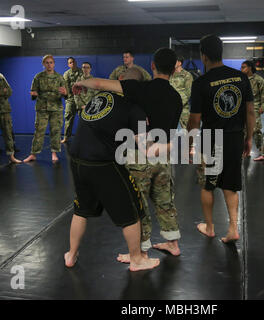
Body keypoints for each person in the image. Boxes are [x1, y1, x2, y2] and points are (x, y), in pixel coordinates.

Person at [73, 47, 183, 262]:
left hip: (139, 155)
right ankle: (173, 243)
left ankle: (140, 253)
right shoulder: (176, 97)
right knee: (164, 200)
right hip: (163, 156)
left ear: (152, 66)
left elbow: (99, 84)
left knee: (138, 203)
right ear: (174, 70)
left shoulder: (139, 88)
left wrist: (81, 83)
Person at [65, 68, 162, 271]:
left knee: (81, 209)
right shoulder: (134, 108)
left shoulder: (99, 98)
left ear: (119, 79)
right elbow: (145, 147)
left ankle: (71, 254)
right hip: (103, 163)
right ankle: (137, 259)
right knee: (132, 210)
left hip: (76, 159)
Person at [187, 34, 255, 243]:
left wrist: (190, 145)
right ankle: (233, 229)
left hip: (211, 138)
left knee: (208, 185)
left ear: (203, 56)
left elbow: (194, 120)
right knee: (231, 184)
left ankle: (209, 227)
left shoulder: (201, 83)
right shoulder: (241, 77)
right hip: (235, 137)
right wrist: (249, 138)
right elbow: (250, 112)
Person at [24, 55, 68, 163]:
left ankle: (54, 153)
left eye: (51, 62)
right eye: (47, 63)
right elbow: (33, 92)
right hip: (42, 108)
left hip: (56, 108)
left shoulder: (60, 77)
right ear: (43, 64)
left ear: (54, 64)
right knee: (39, 131)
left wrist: (65, 93)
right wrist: (34, 94)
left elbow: (66, 94)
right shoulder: (38, 77)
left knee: (56, 131)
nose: (49, 65)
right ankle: (33, 154)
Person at [241, 60, 264, 151]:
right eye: (241, 67)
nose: (241, 69)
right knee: (243, 129)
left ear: (250, 68)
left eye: (243, 67)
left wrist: (263, 106)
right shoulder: (241, 79)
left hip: (255, 107)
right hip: (242, 108)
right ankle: (244, 149)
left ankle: (260, 148)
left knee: (256, 129)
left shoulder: (259, 80)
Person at [61, 57, 83, 144]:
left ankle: (84, 137)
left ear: (76, 62)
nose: (72, 63)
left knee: (83, 118)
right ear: (68, 64)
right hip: (71, 99)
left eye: (73, 62)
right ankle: (66, 137)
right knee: (68, 118)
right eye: (70, 62)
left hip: (81, 99)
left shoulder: (82, 71)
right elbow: (65, 87)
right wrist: (67, 97)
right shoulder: (66, 74)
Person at [169, 55, 193, 129]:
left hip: (183, 108)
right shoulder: (169, 74)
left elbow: (188, 93)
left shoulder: (187, 75)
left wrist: (178, 103)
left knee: (187, 132)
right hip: (170, 107)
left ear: (179, 63)